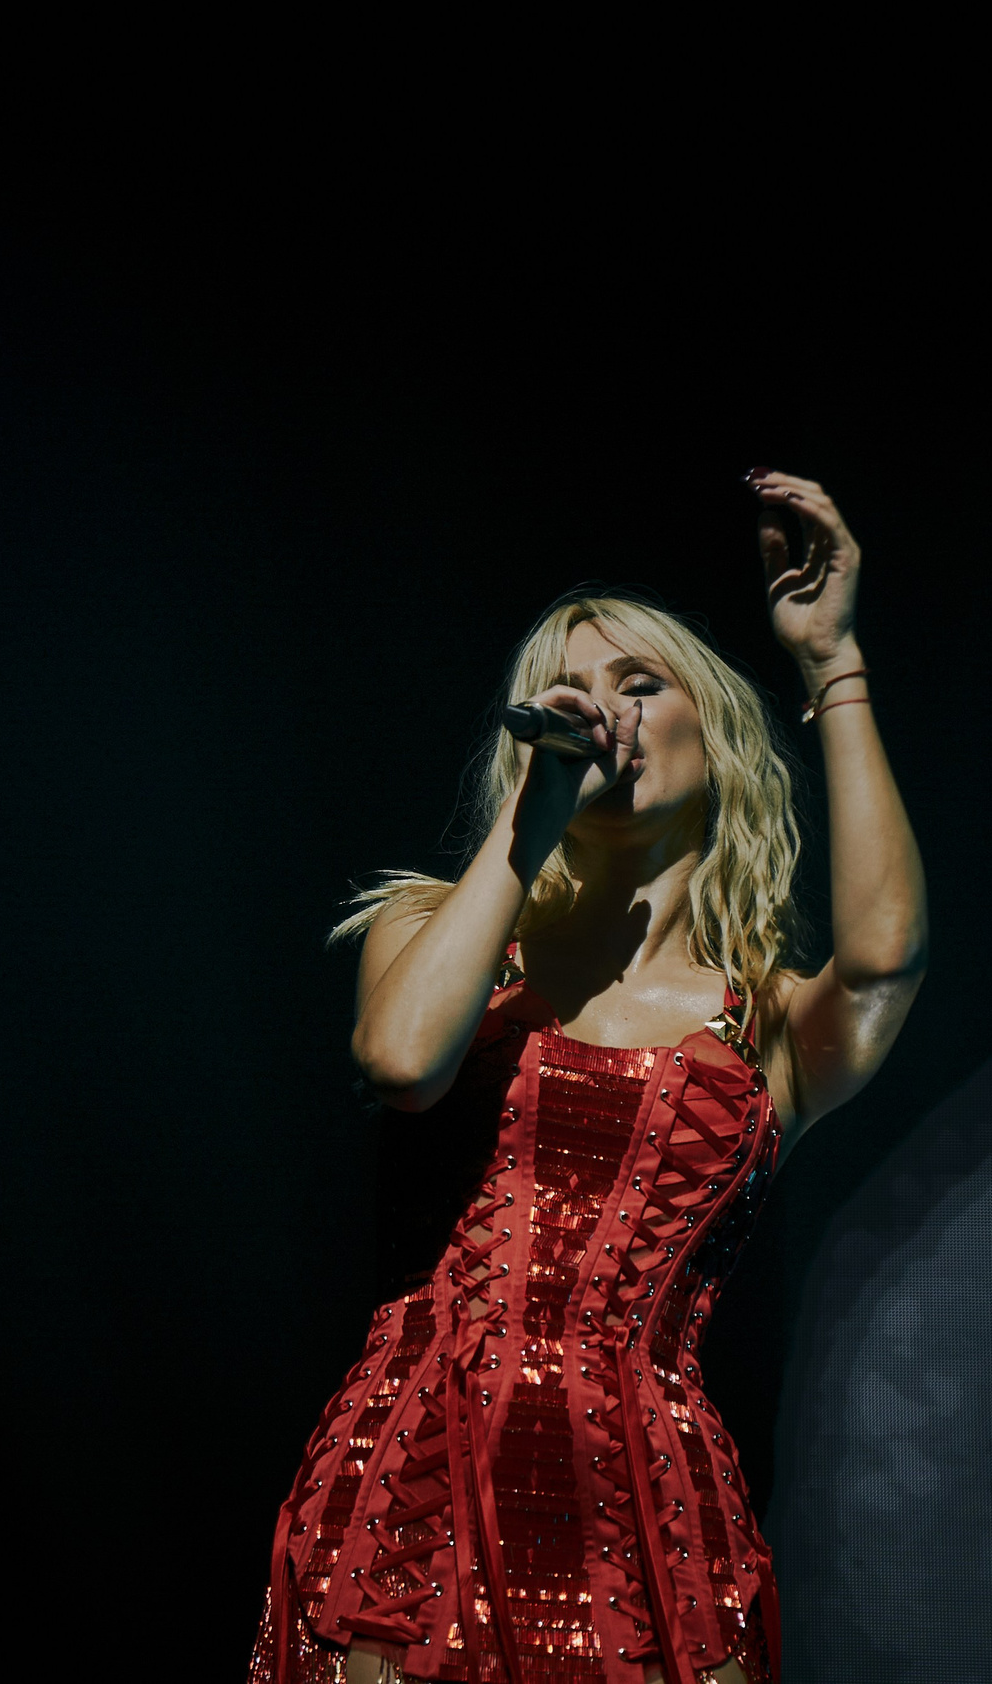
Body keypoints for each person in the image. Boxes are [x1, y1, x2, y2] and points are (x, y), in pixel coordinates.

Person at [250, 472, 929, 1684]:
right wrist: (535, 807)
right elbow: (403, 1062)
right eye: (568, 695)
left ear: (710, 733)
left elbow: (882, 966)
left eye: (640, 684)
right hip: (420, 1474)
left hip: (646, 1504)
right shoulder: (434, 930)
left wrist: (833, 664)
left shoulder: (759, 1021)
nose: (602, 713)